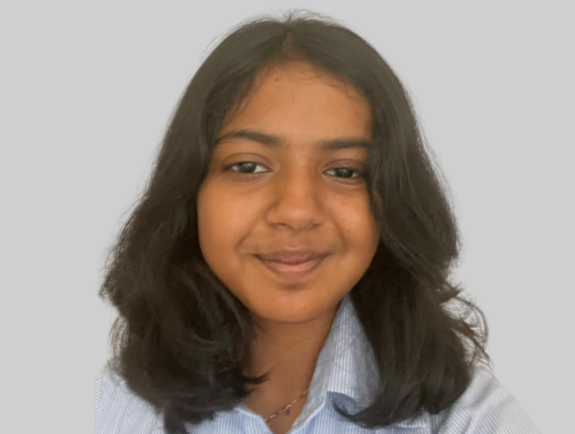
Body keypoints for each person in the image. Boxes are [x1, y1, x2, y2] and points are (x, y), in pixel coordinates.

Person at [94, 9, 540, 434]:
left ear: (392, 203)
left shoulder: (470, 420)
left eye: (344, 171)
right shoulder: (108, 405)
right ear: (190, 191)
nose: (297, 211)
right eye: (249, 166)